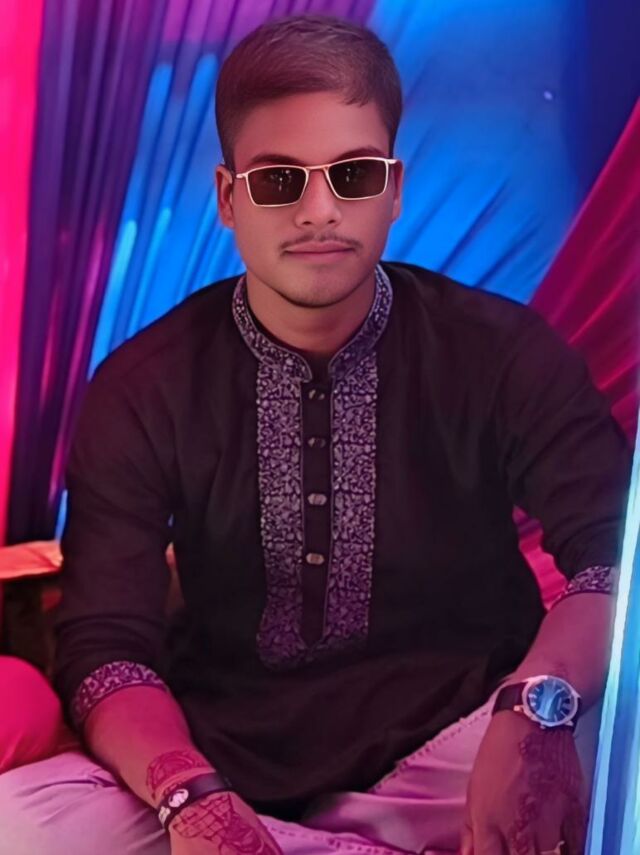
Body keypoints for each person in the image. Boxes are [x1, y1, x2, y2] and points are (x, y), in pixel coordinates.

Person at [0, 13, 631, 855]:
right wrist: (191, 796)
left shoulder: (499, 351)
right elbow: (107, 651)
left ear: (395, 189)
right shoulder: (144, 386)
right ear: (228, 198)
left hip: (465, 750)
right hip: (228, 778)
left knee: (616, 743)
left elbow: (612, 557)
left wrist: (536, 708)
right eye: (278, 181)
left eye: (354, 174)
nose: (320, 211)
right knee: (18, 823)